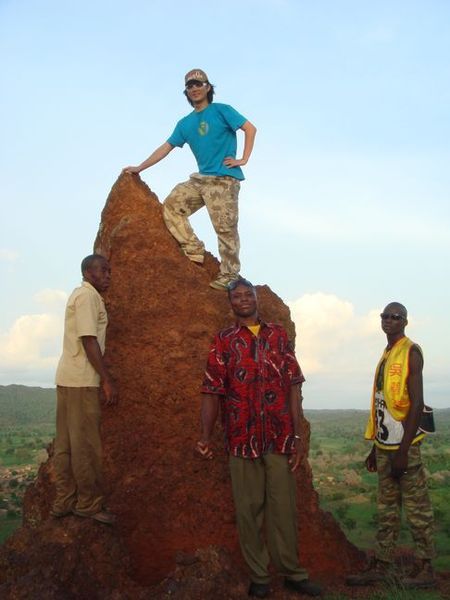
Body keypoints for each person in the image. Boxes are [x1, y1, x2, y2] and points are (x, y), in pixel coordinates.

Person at [196, 278, 322, 598]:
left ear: (256, 298)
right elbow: (212, 389)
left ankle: (293, 573)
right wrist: (205, 436)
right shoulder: (223, 340)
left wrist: (297, 436)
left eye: (247, 294)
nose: (242, 300)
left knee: (283, 509)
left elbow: (293, 384)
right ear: (230, 304)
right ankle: (259, 577)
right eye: (236, 296)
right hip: (241, 437)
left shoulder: (277, 335)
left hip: (278, 437)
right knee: (248, 509)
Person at [122, 68, 257, 291]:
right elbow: (165, 148)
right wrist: (140, 168)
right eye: (189, 86)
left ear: (208, 87)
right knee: (172, 205)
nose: (194, 88)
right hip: (200, 180)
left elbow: (250, 128)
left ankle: (230, 274)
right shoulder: (185, 123)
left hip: (223, 179)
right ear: (186, 92)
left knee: (225, 228)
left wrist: (243, 158)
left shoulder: (222, 110)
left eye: (198, 84)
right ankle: (193, 248)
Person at [347, 302, 435, 589]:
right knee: (386, 508)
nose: (388, 320)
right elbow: (382, 405)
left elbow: (417, 403)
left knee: (417, 507)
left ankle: (425, 568)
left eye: (394, 317)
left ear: (405, 322)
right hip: (385, 445)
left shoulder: (411, 351)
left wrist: (403, 450)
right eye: (384, 316)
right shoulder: (386, 353)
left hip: (403, 448)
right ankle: (383, 564)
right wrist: (376, 447)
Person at [51, 254, 118, 525]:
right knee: (86, 446)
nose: (108, 275)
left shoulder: (80, 295)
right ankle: (88, 504)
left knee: (65, 444)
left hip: (66, 378)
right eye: (103, 270)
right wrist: (106, 379)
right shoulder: (88, 297)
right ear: (88, 273)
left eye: (109, 271)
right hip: (81, 380)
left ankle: (63, 500)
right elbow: (89, 339)